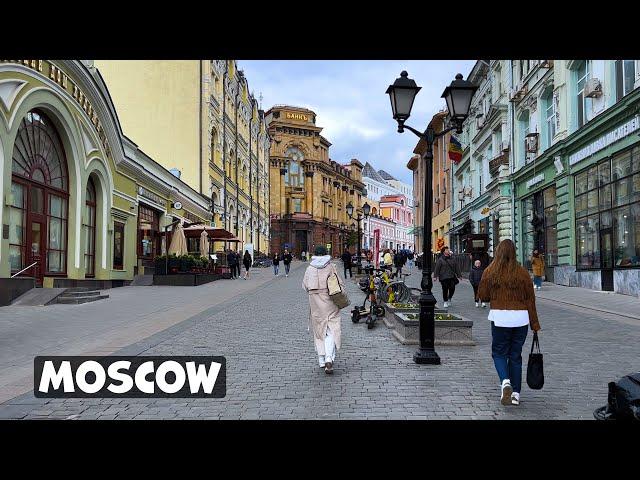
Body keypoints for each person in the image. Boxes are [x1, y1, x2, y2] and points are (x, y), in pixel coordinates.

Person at [478, 239, 541, 407]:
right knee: (515, 356)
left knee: (499, 353)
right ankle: (516, 395)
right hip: (520, 319)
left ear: (498, 252)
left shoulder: (490, 271)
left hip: (500, 318)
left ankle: (505, 381)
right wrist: (534, 324)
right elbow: (530, 300)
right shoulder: (522, 273)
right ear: (514, 253)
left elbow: (482, 296)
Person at [302, 245, 344, 374]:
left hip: (315, 302)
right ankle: (329, 358)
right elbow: (339, 284)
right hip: (330, 301)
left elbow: (304, 286)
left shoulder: (310, 268)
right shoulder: (331, 266)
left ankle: (322, 360)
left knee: (320, 330)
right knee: (331, 328)